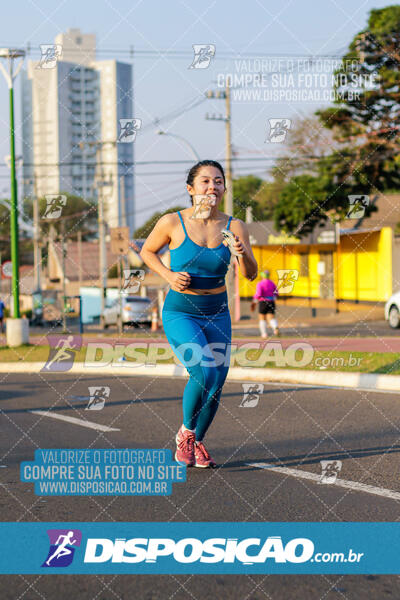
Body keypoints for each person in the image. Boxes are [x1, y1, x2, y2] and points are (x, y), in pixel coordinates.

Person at [140, 160, 258, 468]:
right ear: (191, 189)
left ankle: (197, 441)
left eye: (218, 181)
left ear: (224, 189)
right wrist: (167, 275)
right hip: (182, 311)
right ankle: (186, 434)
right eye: (205, 181)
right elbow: (146, 252)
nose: (212, 187)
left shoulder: (234, 226)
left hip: (217, 312)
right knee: (204, 370)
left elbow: (250, 275)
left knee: (218, 379)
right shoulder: (172, 222)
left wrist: (241, 254)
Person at [251, 270, 279, 337]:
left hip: (263, 302)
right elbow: (276, 293)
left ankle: (264, 334)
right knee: (271, 318)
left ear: (262, 276)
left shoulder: (260, 283)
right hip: (271, 302)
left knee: (262, 318)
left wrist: (254, 300)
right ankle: (275, 327)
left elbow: (259, 294)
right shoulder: (272, 283)